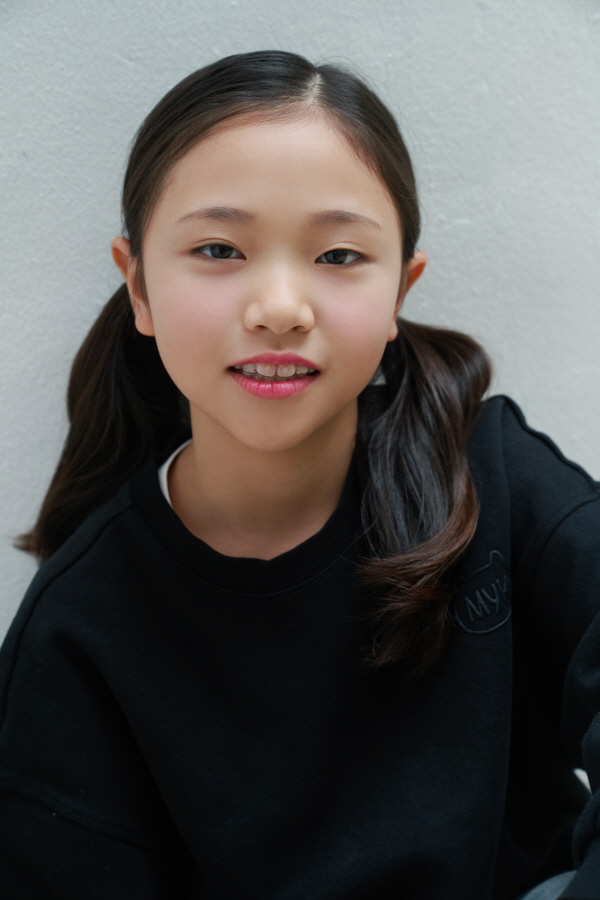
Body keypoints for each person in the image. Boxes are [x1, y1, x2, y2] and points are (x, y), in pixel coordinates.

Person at [0, 49, 596, 900]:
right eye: (218, 248)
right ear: (138, 288)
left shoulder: (492, 476)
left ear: (399, 293)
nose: (280, 308)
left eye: (339, 256)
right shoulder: (78, 628)